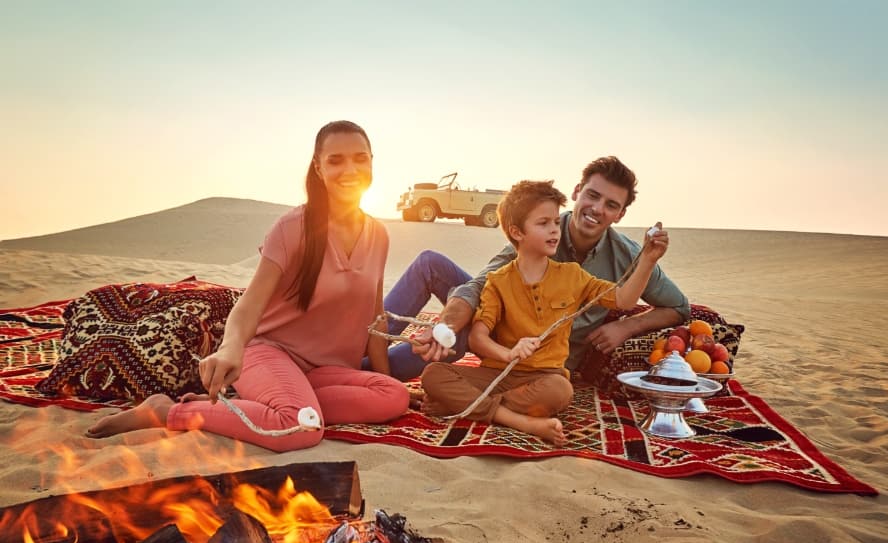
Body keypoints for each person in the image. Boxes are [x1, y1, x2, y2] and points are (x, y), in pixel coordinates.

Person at [86, 120, 409, 451]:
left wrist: (384, 377)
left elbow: (375, 317)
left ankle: (267, 404)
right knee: (300, 428)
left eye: (360, 158)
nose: (350, 169)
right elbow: (250, 304)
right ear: (318, 166)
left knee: (394, 396)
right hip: (270, 354)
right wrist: (231, 348)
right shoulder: (292, 228)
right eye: (336, 160)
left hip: (326, 371)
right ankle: (166, 411)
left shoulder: (378, 235)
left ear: (372, 160)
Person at [373, 156, 689, 382]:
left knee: (464, 333)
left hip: (541, 360)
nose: (597, 209)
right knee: (432, 266)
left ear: (620, 214)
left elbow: (679, 307)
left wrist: (624, 327)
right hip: (499, 325)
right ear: (578, 192)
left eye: (611, 205)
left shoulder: (629, 256)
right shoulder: (539, 228)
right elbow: (482, 284)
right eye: (593, 195)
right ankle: (360, 347)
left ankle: (370, 373)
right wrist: (446, 325)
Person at [419, 180, 669, 446]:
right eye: (543, 223)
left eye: (555, 222)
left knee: (561, 391)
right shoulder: (498, 280)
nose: (554, 230)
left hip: (544, 380)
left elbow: (623, 300)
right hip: (497, 374)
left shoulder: (573, 275)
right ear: (517, 232)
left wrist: (648, 261)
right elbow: (477, 338)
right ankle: (518, 420)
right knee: (433, 374)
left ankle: (465, 406)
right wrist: (509, 353)